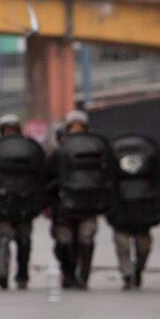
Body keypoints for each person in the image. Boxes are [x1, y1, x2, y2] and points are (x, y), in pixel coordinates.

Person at [47, 110, 114, 290]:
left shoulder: (98, 149)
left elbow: (108, 175)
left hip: (89, 204)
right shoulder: (59, 152)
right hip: (64, 206)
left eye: (80, 127)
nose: (76, 131)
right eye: (73, 127)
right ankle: (68, 273)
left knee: (86, 241)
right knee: (64, 243)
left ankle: (83, 275)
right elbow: (47, 178)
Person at [0, 116, 46, 290]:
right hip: (22, 202)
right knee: (21, 239)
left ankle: (8, 273)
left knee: (8, 238)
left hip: (6, 202)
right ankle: (15, 274)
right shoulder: (30, 147)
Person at [107, 134, 160, 290]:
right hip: (140, 209)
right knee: (135, 244)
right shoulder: (151, 156)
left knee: (129, 245)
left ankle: (133, 271)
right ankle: (131, 272)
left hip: (125, 209)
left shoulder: (113, 156)